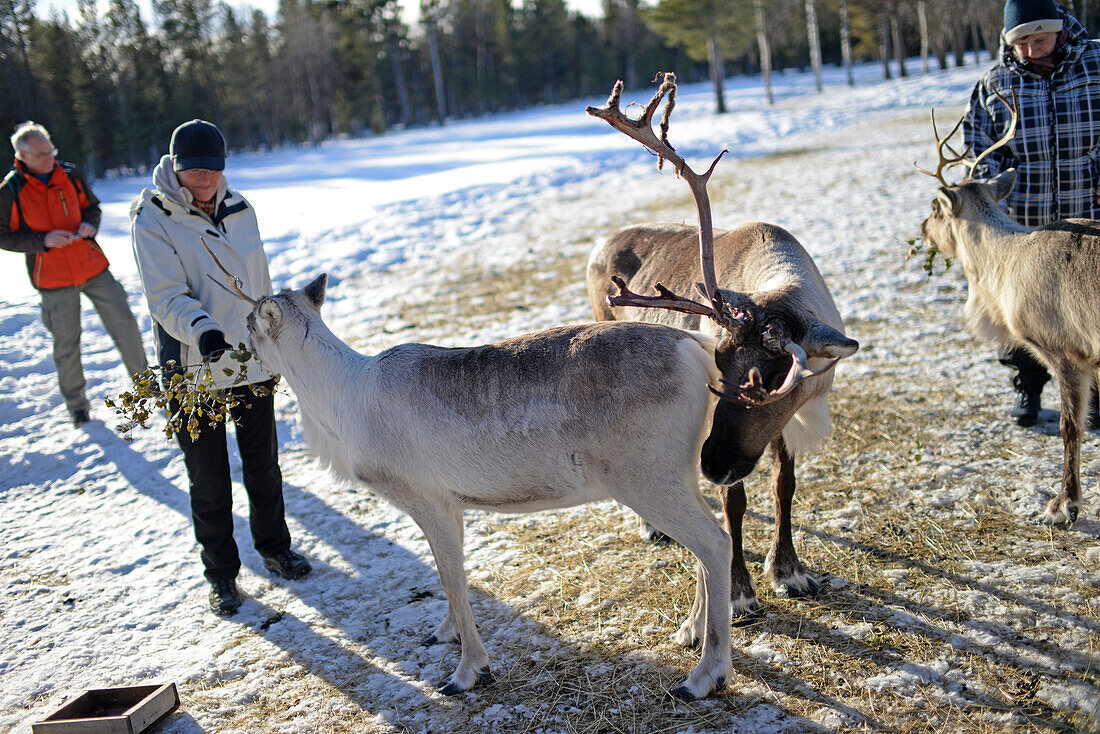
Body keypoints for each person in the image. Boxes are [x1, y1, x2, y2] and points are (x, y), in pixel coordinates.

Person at [130, 119, 311, 616]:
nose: (205, 179)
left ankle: (275, 547)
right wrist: (204, 330)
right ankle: (222, 575)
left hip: (250, 360)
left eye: (213, 169)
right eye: (194, 170)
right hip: (194, 361)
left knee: (263, 465)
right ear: (176, 168)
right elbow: (164, 295)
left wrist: (276, 335)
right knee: (208, 478)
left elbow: (257, 280)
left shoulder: (240, 208)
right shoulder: (153, 217)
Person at [963, 0, 1100, 428]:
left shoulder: (1096, 63)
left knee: (1089, 312)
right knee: (1025, 315)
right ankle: (1028, 386)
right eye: (1019, 42)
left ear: (1059, 30)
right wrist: (989, 183)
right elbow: (975, 143)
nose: (1029, 50)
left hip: (1090, 216)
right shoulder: (995, 83)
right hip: (1026, 223)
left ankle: (1093, 400)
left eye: (1038, 38)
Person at [0, 122, 148, 426]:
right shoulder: (10, 190)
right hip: (53, 279)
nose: (49, 158)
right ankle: (78, 406)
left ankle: (146, 384)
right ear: (22, 155)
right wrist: (41, 241)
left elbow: (92, 207)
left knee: (126, 323)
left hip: (93, 267)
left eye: (51, 150)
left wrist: (90, 224)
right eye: (41, 154)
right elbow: (2, 234)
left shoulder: (70, 174)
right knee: (67, 343)